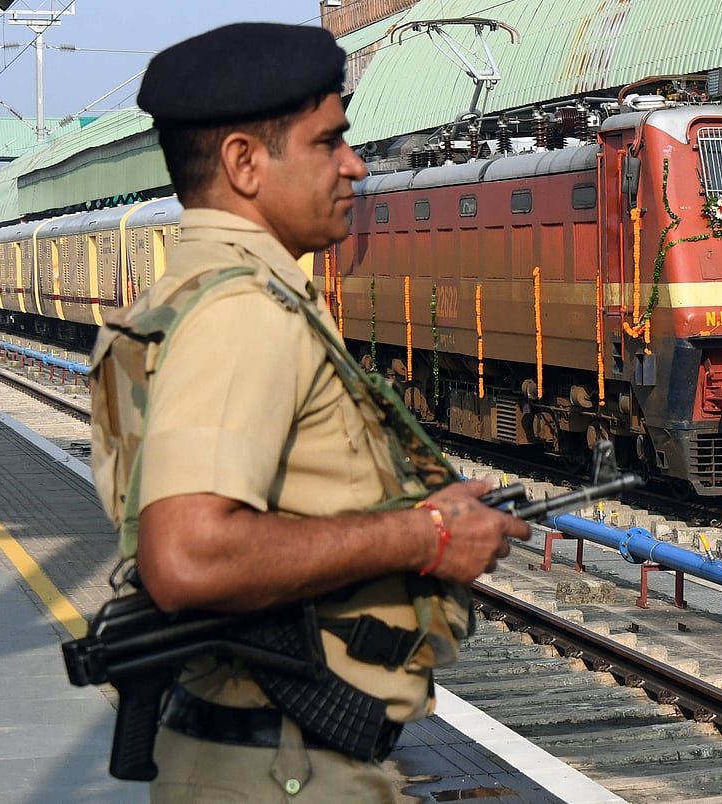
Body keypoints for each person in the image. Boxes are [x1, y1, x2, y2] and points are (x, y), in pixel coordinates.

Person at [92, 22, 530, 802]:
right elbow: (186, 556)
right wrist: (426, 536)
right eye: (329, 142)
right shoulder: (241, 312)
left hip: (271, 761)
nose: (354, 165)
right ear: (244, 162)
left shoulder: (195, 294)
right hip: (278, 770)